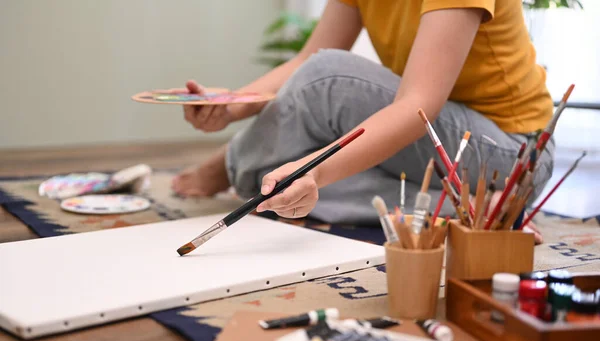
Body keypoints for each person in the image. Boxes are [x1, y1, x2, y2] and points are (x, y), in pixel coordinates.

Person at [171, 0, 553, 243]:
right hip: (441, 146)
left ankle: (229, 165)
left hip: (512, 153)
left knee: (329, 78)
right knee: (276, 188)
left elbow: (417, 106)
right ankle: (471, 208)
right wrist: (231, 106)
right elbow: (302, 61)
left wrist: (316, 172)